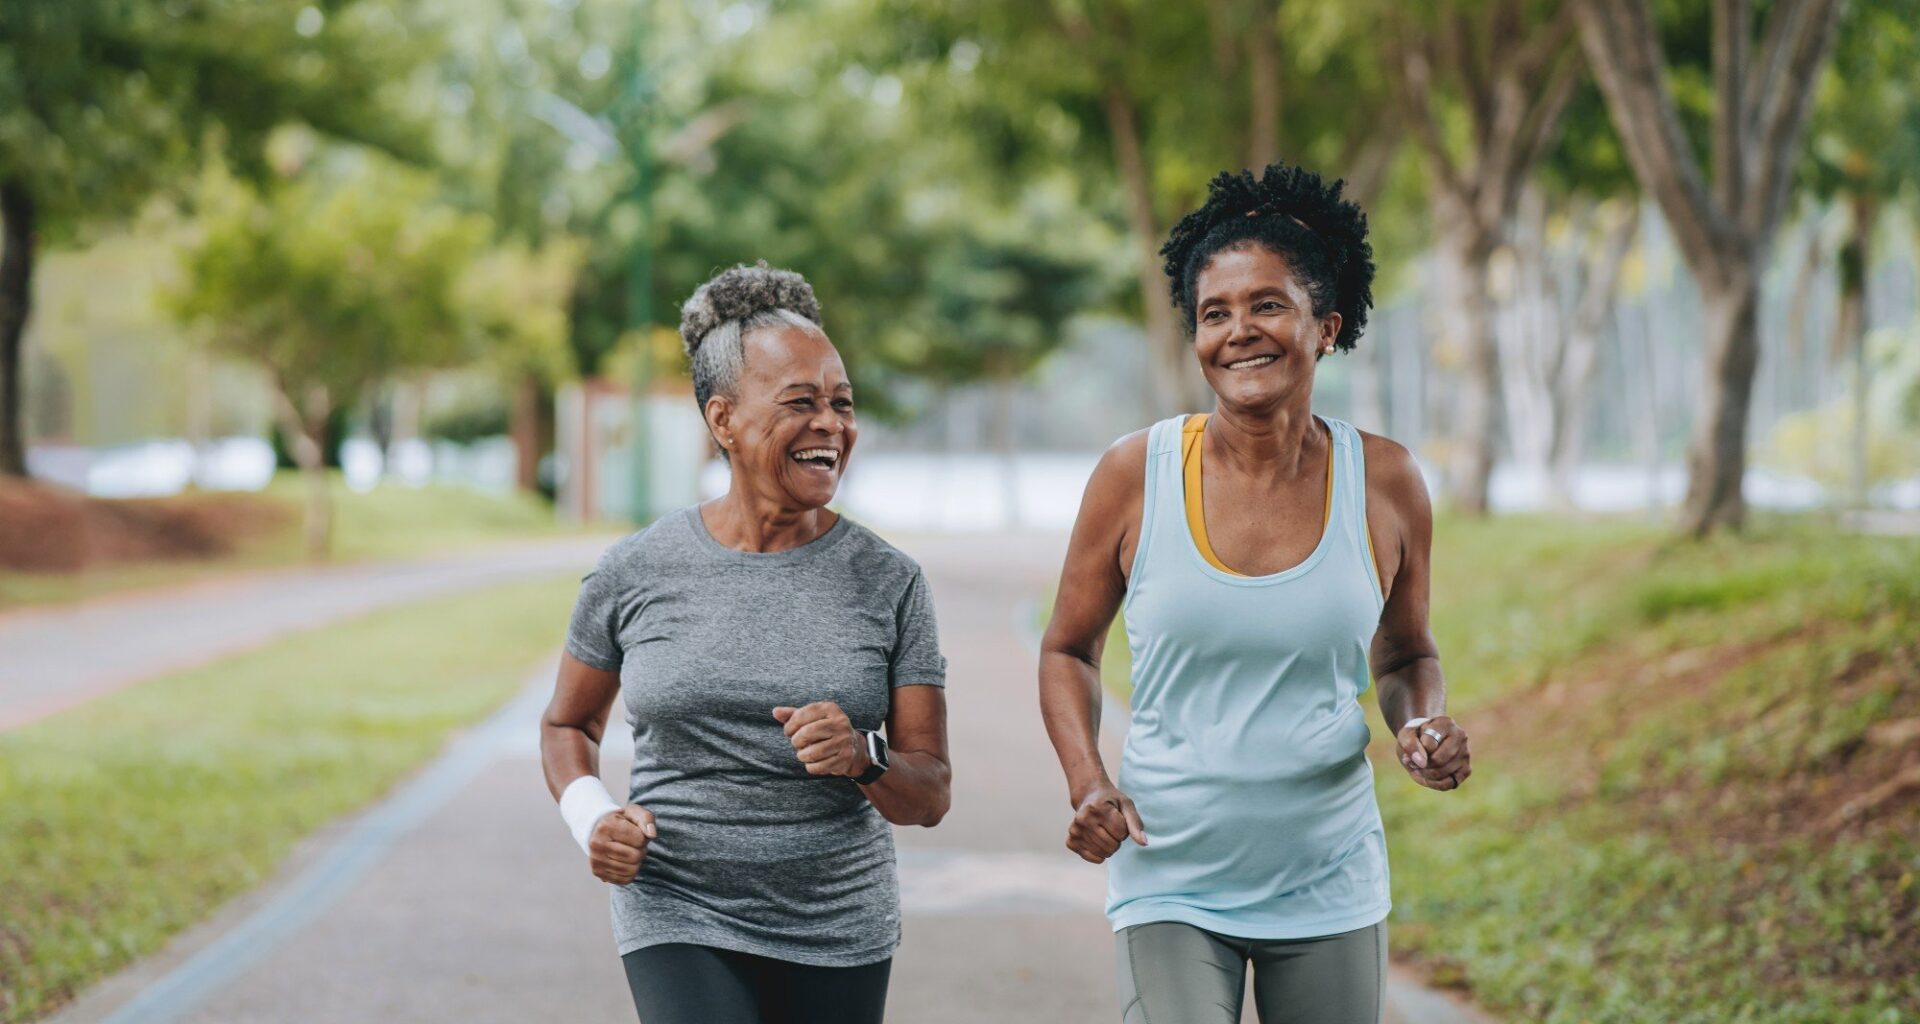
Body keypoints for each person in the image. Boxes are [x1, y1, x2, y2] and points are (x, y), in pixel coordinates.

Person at [1038, 163, 1474, 1024]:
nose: (1240, 331)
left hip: (1328, 875)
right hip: (1170, 871)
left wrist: (1419, 722)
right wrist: (1088, 781)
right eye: (1215, 313)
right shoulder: (1137, 474)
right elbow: (1067, 649)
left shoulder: (1384, 479)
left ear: (1326, 327)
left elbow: (1406, 651)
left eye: (1268, 305)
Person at [539, 262, 951, 1024]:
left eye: (842, 403)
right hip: (676, 904)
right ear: (723, 420)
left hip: (838, 922)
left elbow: (929, 792)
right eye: (800, 402)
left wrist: (866, 754)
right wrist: (594, 817)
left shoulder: (889, 581)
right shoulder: (636, 570)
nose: (831, 424)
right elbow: (567, 724)